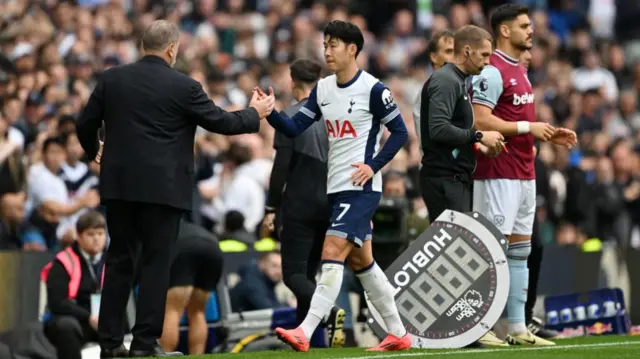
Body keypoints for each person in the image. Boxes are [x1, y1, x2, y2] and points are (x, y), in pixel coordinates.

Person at [76, 20, 274, 358]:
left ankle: (109, 346)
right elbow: (221, 122)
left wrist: (94, 148)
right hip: (163, 191)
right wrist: (255, 114)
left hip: (120, 187)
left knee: (120, 261)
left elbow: (84, 123)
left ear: (143, 46)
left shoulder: (112, 79)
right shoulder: (184, 86)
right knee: (155, 264)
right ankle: (142, 345)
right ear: (172, 49)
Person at [262, 20, 411, 352]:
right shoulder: (324, 89)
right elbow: (293, 126)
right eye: (325, 44)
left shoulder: (374, 89)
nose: (326, 50)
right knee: (362, 263)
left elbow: (400, 133)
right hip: (335, 188)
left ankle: (305, 329)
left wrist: (373, 166)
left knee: (331, 253)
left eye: (333, 45)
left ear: (352, 49)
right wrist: (270, 113)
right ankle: (398, 333)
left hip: (361, 188)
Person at [470, 4, 576, 346]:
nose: (531, 30)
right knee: (490, 251)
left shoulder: (521, 69)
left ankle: (517, 327)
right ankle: (480, 325)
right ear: (504, 30)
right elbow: (480, 119)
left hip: (524, 173)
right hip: (497, 172)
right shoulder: (493, 70)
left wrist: (542, 134)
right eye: (524, 25)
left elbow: (515, 121)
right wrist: (527, 126)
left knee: (519, 252)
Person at [262, 58, 346, 348]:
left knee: (294, 275)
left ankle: (330, 310)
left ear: (291, 81)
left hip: (300, 204)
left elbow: (280, 169)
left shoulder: (291, 117)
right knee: (310, 275)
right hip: (332, 203)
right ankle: (306, 340)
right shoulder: (335, 118)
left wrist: (271, 208)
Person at [419, 25, 504, 224]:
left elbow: (455, 128)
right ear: (467, 51)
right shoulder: (446, 80)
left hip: (454, 179)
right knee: (450, 250)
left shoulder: (459, 81)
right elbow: (439, 129)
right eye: (484, 55)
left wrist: (477, 146)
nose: (487, 61)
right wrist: (480, 136)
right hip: (444, 180)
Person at [519, 49, 558, 339]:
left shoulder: (525, 82)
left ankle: (525, 316)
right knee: (508, 250)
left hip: (523, 172)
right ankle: (503, 318)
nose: (530, 55)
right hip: (500, 174)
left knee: (534, 246)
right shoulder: (494, 78)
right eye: (524, 51)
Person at [41, 211, 107, 359]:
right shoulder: (63, 262)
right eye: (90, 234)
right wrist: (89, 317)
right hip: (75, 320)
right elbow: (57, 303)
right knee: (66, 326)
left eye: (100, 233)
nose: (96, 239)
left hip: (104, 320)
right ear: (79, 236)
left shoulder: (113, 261)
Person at [159, 221, 224, 355]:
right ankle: (197, 356)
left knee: (172, 311)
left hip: (184, 248)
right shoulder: (186, 225)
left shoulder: (158, 228)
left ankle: (164, 354)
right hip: (212, 247)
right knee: (198, 312)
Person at [413, 30, 455, 155]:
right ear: (434, 57)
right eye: (448, 51)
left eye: (456, 52)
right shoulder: (431, 91)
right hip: (439, 168)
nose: (454, 57)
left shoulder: (461, 89)